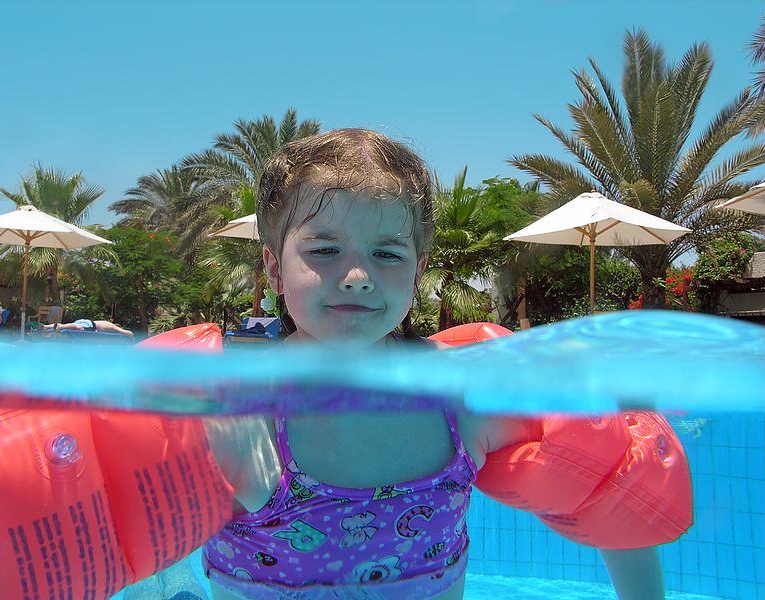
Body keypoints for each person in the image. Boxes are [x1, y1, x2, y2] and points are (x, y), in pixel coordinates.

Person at [199, 129, 669, 600]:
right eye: (324, 250)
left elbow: (610, 486)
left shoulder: (466, 397)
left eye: (387, 253)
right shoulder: (237, 413)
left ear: (418, 271)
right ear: (275, 268)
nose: (359, 277)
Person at [42, 318, 133, 336]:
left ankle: (46, 327)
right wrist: (132, 336)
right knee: (78, 328)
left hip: (85, 321)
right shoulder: (111, 326)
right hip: (91, 325)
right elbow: (125, 332)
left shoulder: (107, 324)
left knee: (72, 325)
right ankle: (60, 327)